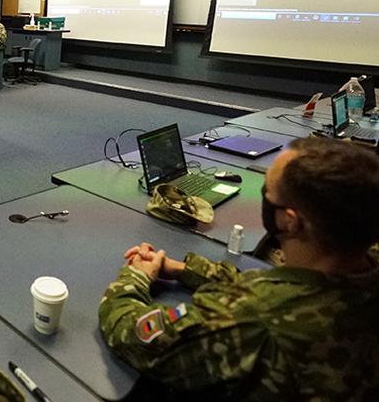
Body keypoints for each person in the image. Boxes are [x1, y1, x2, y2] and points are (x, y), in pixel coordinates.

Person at [99, 137, 379, 401]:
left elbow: (132, 333)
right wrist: (185, 269)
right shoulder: (361, 266)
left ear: (290, 221)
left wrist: (135, 276)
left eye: (268, 193)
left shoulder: (254, 317)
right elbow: (278, 284)